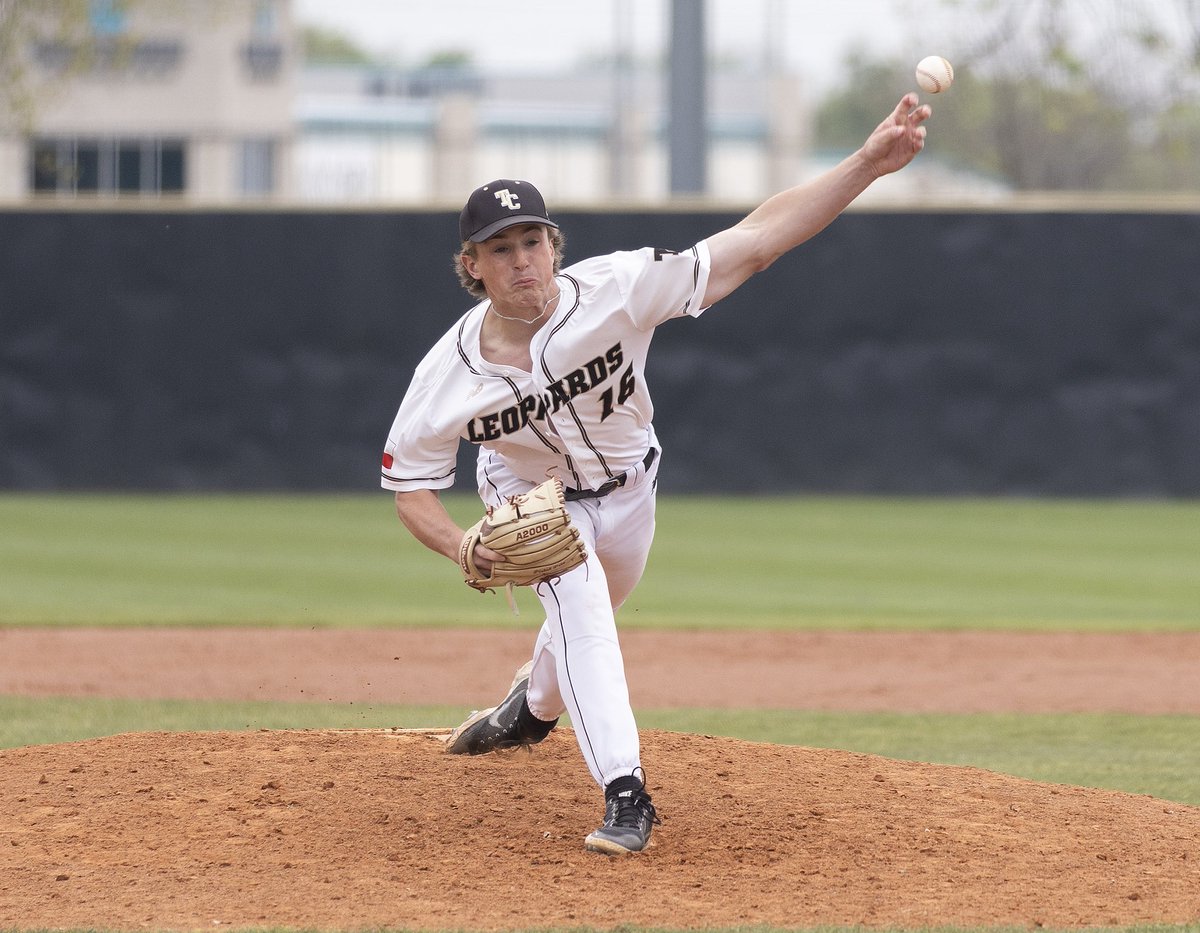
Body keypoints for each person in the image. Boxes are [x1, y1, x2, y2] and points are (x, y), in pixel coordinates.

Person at [381, 93, 933, 856]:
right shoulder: (446, 375)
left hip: (633, 489)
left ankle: (531, 710)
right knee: (584, 618)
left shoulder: (618, 289)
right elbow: (408, 480)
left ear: (555, 246)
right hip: (535, 503)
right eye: (500, 249)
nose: (522, 262)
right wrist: (457, 546)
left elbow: (756, 241)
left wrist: (869, 162)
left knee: (581, 628)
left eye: (533, 241)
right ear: (471, 266)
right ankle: (626, 792)